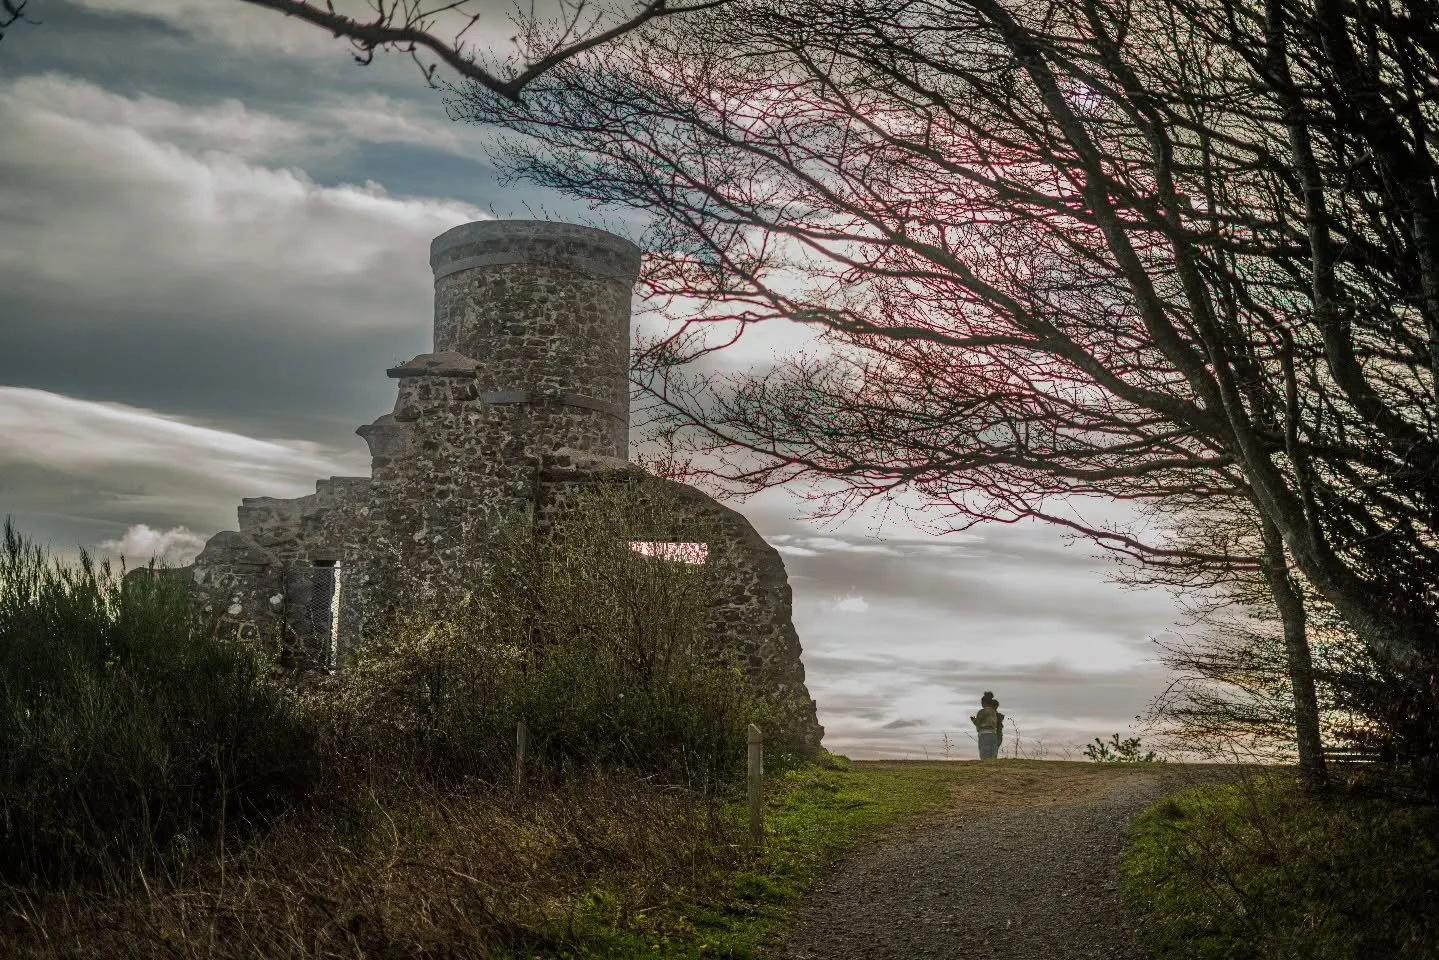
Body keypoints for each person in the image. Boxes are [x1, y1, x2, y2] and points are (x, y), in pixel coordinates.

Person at [971, 691, 1002, 760]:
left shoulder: (982, 711)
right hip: (993, 734)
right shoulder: (994, 712)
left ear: (984, 702)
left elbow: (977, 722)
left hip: (984, 734)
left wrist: (973, 720)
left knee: (984, 754)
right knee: (992, 754)